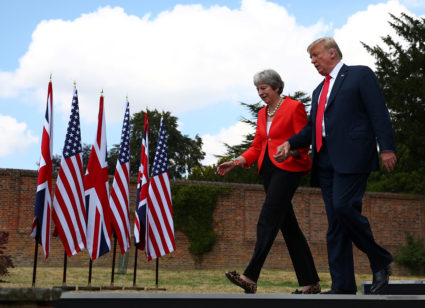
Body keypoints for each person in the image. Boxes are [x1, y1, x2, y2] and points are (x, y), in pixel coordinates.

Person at [276, 37, 397, 295]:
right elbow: (312, 127)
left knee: (344, 207)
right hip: (325, 160)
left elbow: (379, 111)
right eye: (311, 58)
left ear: (333, 53)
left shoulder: (359, 75)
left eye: (316, 55)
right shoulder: (319, 90)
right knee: (335, 226)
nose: (313, 61)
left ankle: (380, 259)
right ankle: (342, 285)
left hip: (353, 155)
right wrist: (291, 143)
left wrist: (387, 147)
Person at [217, 69, 320, 294]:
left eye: (263, 88)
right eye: (258, 89)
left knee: (267, 219)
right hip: (269, 172)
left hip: (289, 169)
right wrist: (235, 162)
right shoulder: (263, 114)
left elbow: (305, 142)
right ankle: (310, 283)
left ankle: (250, 276)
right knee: (289, 228)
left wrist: (291, 152)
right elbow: (257, 146)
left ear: (276, 87)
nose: (260, 93)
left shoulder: (294, 107)